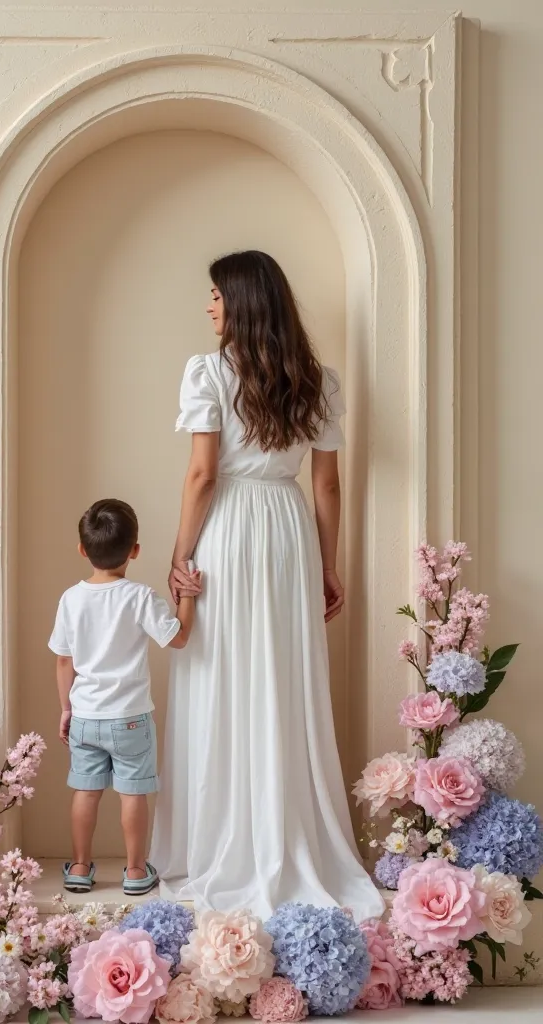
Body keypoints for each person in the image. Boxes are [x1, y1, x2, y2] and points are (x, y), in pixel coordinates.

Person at [150, 250, 385, 922]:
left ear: (245, 301)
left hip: (226, 531)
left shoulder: (208, 374)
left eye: (218, 294)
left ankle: (217, 838)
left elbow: (202, 476)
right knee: (283, 677)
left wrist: (179, 555)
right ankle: (288, 836)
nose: (210, 305)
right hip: (287, 532)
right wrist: (328, 564)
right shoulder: (319, 380)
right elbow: (328, 483)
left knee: (219, 674)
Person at [48, 498, 198, 896]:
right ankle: (134, 871)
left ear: (83, 550)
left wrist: (67, 708)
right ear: (135, 550)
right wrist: (189, 596)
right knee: (133, 793)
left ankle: (79, 867)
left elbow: (64, 661)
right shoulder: (140, 597)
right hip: (130, 717)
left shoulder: (70, 599)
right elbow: (178, 638)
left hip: (85, 716)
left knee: (86, 790)